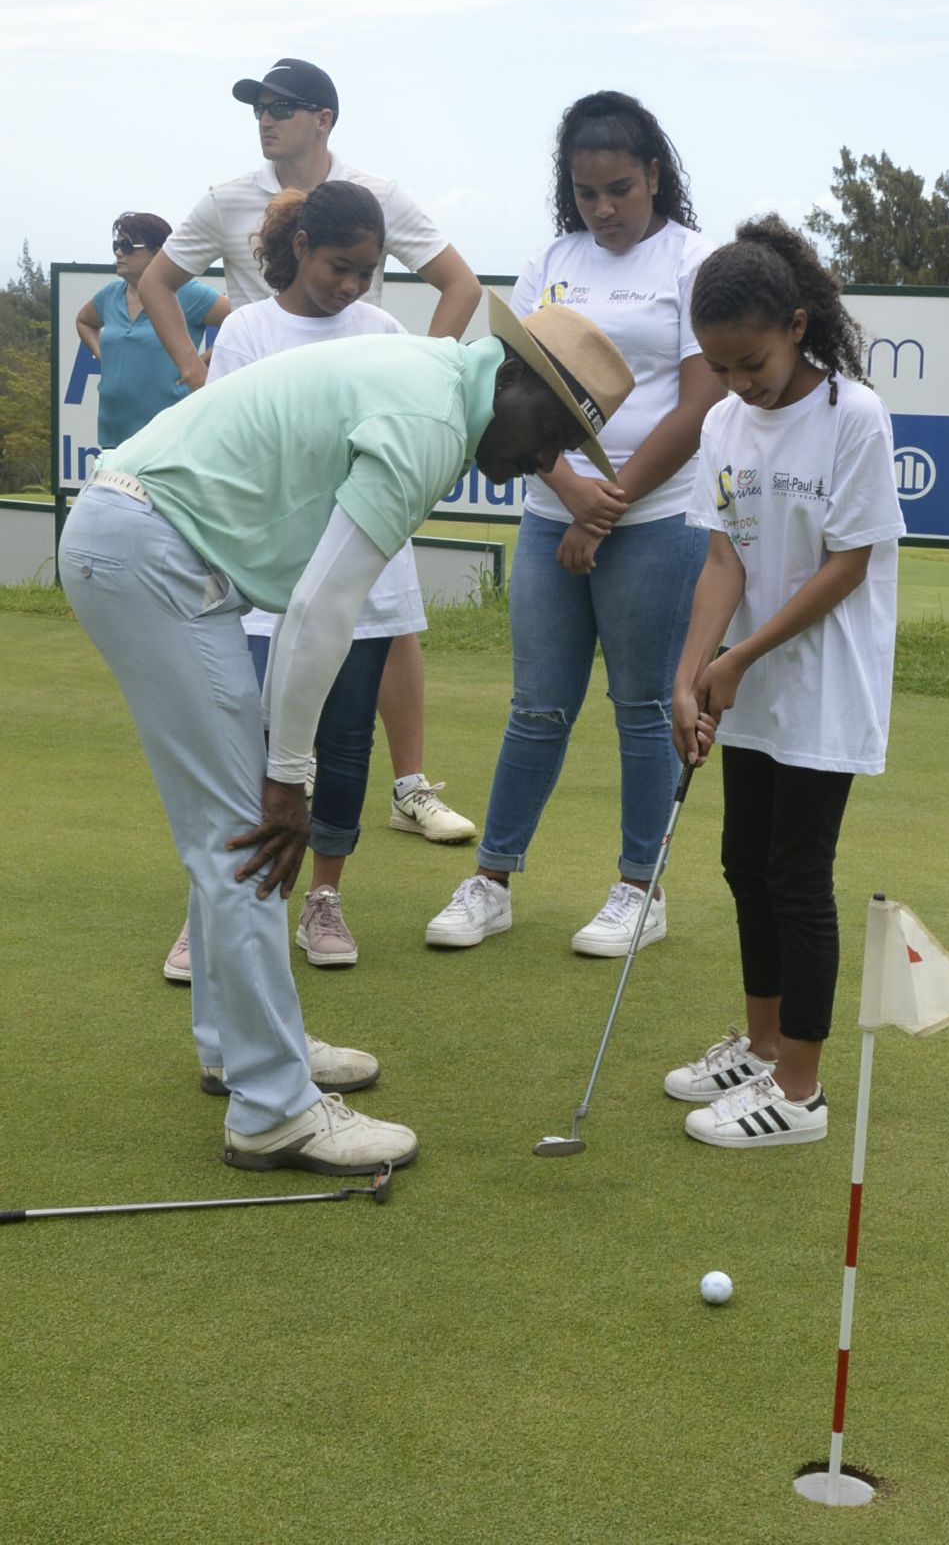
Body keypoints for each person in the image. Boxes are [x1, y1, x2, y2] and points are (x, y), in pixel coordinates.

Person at [58, 293, 633, 1176]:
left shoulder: (438, 385)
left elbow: (319, 606)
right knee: (247, 833)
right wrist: (290, 778)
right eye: (549, 428)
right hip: (151, 551)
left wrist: (282, 773)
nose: (542, 460)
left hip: (140, 539)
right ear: (510, 375)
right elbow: (323, 611)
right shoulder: (430, 418)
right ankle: (273, 1109)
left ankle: (244, 1046)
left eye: (565, 446)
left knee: (231, 829)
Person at [425, 91, 722, 957]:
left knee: (640, 708)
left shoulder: (692, 262)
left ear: (656, 175)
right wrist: (569, 486)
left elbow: (701, 403)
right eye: (587, 192)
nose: (604, 208)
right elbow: (512, 392)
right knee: (537, 707)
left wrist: (610, 501)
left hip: (659, 521)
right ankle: (492, 878)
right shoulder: (550, 259)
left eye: (621, 189)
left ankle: (639, 889)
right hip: (554, 509)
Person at [666, 214, 905, 1149]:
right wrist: (691, 675)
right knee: (743, 862)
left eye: (752, 363)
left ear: (796, 326)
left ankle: (798, 1093)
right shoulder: (726, 422)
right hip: (750, 684)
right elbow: (724, 559)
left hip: (822, 687)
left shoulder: (857, 415)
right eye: (720, 367)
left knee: (798, 875)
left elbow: (845, 564)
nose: (738, 384)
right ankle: (763, 1046)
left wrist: (737, 660)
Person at [174, 180, 443, 978]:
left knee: (346, 747)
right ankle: (217, 904)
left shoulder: (386, 330)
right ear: (299, 248)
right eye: (339, 268)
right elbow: (240, 457)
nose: (352, 287)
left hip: (366, 579)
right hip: (266, 585)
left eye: (366, 272)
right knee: (247, 751)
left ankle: (323, 899)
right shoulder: (249, 331)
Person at [75, 213, 229, 448]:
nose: (118, 253)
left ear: (158, 253)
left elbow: (243, 321)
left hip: (167, 441)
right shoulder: (110, 295)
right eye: (116, 245)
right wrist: (101, 355)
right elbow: (84, 321)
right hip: (112, 440)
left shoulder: (188, 294)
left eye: (127, 246)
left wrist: (201, 362)